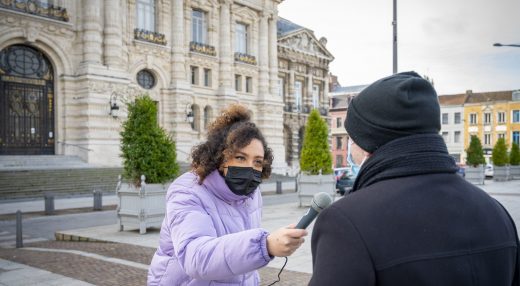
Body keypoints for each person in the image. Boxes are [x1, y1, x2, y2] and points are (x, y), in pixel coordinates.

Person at [309, 71, 519, 285]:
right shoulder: (497, 213)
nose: (348, 148)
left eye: (351, 139)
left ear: (366, 142)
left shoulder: (345, 222)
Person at [147, 104, 307, 286]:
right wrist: (264, 245)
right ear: (219, 156)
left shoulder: (252, 194)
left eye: (257, 162)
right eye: (240, 157)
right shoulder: (188, 191)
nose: (250, 167)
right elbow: (196, 258)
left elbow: (241, 264)